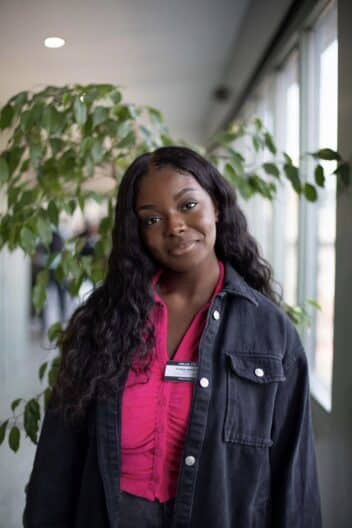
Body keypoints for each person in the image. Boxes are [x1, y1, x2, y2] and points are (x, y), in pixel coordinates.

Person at [23, 146, 322, 527]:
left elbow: (293, 475)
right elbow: (58, 459)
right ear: (138, 233)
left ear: (216, 205)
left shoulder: (269, 332)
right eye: (152, 219)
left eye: (187, 205)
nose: (174, 226)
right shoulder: (103, 320)